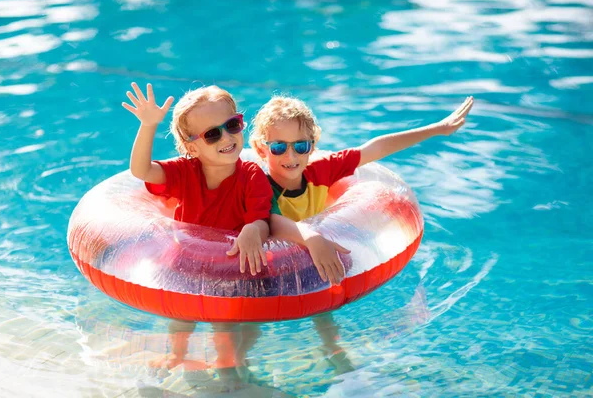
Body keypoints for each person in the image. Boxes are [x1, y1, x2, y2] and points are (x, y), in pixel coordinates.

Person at [250, 94, 474, 373]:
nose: (291, 156)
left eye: (300, 146)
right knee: (251, 329)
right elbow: (270, 221)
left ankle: (337, 358)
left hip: (310, 262)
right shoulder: (256, 184)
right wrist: (311, 237)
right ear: (261, 149)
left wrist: (438, 128)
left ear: (312, 146)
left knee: (325, 306)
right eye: (278, 147)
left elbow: (374, 148)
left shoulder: (321, 171)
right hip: (267, 266)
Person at [122, 82, 271, 388]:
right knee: (181, 317)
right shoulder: (184, 171)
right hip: (185, 264)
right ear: (191, 147)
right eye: (212, 134)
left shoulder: (252, 176)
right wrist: (149, 125)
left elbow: (261, 220)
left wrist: (252, 229)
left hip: (229, 268)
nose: (227, 137)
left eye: (232, 125)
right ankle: (176, 355)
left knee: (225, 324)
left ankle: (228, 366)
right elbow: (141, 171)